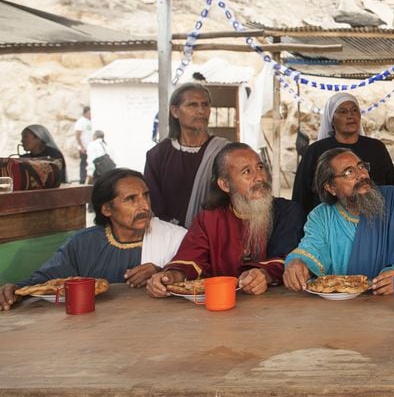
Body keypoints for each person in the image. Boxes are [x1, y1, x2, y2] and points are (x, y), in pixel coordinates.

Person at [0, 169, 186, 310]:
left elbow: (199, 278)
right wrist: (15, 289)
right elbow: (45, 281)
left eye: (145, 195)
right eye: (131, 199)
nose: (144, 206)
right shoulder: (84, 244)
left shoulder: (174, 238)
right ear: (106, 209)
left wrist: (163, 274)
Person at [146, 143, 305, 296]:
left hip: (277, 308)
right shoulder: (208, 220)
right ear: (225, 185)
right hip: (221, 310)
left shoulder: (288, 211)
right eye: (247, 172)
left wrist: (265, 274)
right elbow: (190, 259)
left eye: (260, 167)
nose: (259, 177)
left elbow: (289, 257)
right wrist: (170, 277)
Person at [283, 148, 394, 294]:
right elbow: (311, 250)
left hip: (387, 304)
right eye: (349, 172)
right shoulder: (321, 216)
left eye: (362, 167)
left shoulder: (393, 200)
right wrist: (298, 263)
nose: (362, 175)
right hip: (336, 310)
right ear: (330, 187)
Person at [293, 92, 394, 214]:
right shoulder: (315, 151)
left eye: (354, 110)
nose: (350, 116)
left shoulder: (376, 148)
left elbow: (391, 187)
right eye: (343, 112)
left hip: (373, 219)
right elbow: (301, 194)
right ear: (331, 118)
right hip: (327, 224)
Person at [144, 82, 230, 227]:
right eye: (193, 105)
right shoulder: (158, 155)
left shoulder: (225, 152)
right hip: (170, 239)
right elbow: (153, 204)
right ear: (175, 111)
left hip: (215, 236)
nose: (201, 110)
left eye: (205, 105)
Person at [74, 106, 93, 183]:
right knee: (84, 164)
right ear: (85, 113)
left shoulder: (91, 121)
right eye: (89, 113)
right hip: (84, 147)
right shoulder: (81, 122)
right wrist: (81, 147)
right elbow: (78, 135)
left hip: (91, 147)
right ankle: (82, 180)